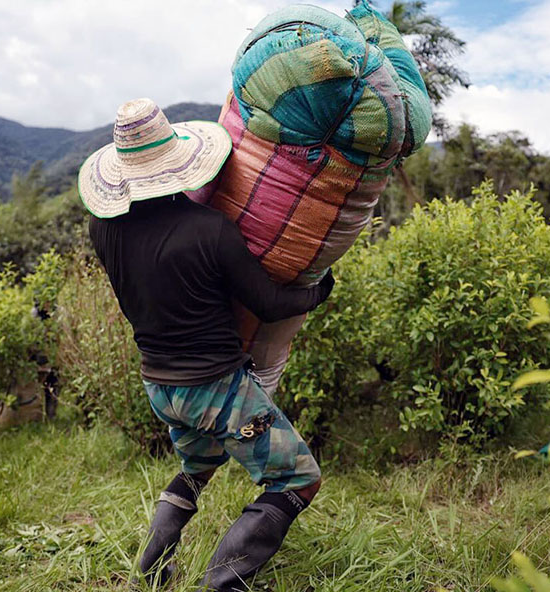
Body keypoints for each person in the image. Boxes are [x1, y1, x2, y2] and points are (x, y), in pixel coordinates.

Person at [79, 98, 334, 591]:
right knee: (298, 478)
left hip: (160, 386)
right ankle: (223, 585)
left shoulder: (103, 229)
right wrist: (320, 289)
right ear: (177, 162)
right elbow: (272, 302)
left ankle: (149, 573)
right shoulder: (209, 230)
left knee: (199, 464)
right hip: (215, 388)